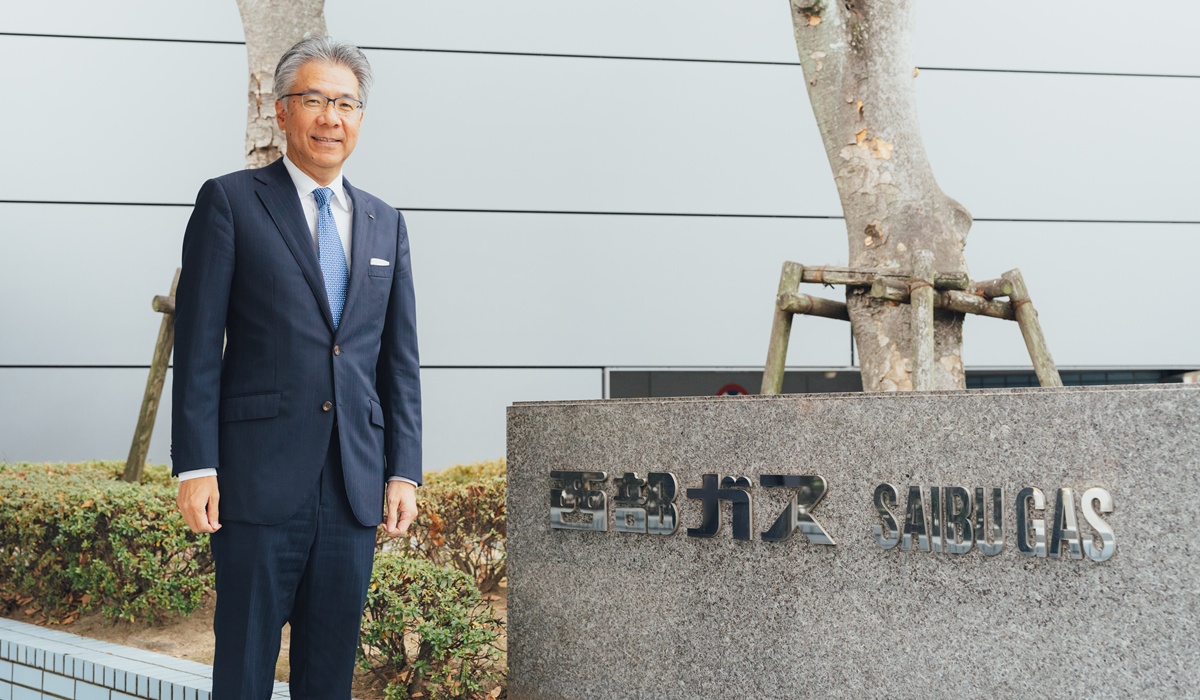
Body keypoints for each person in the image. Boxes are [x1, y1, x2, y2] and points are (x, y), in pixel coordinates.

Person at [171, 36, 422, 698]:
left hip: (352, 486)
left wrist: (403, 471)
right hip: (255, 482)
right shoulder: (230, 202)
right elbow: (197, 346)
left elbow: (398, 361)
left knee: (329, 675)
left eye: (346, 104)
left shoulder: (386, 223)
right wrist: (196, 466)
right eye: (314, 100)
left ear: (360, 118)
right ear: (281, 110)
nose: (331, 118)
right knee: (244, 670)